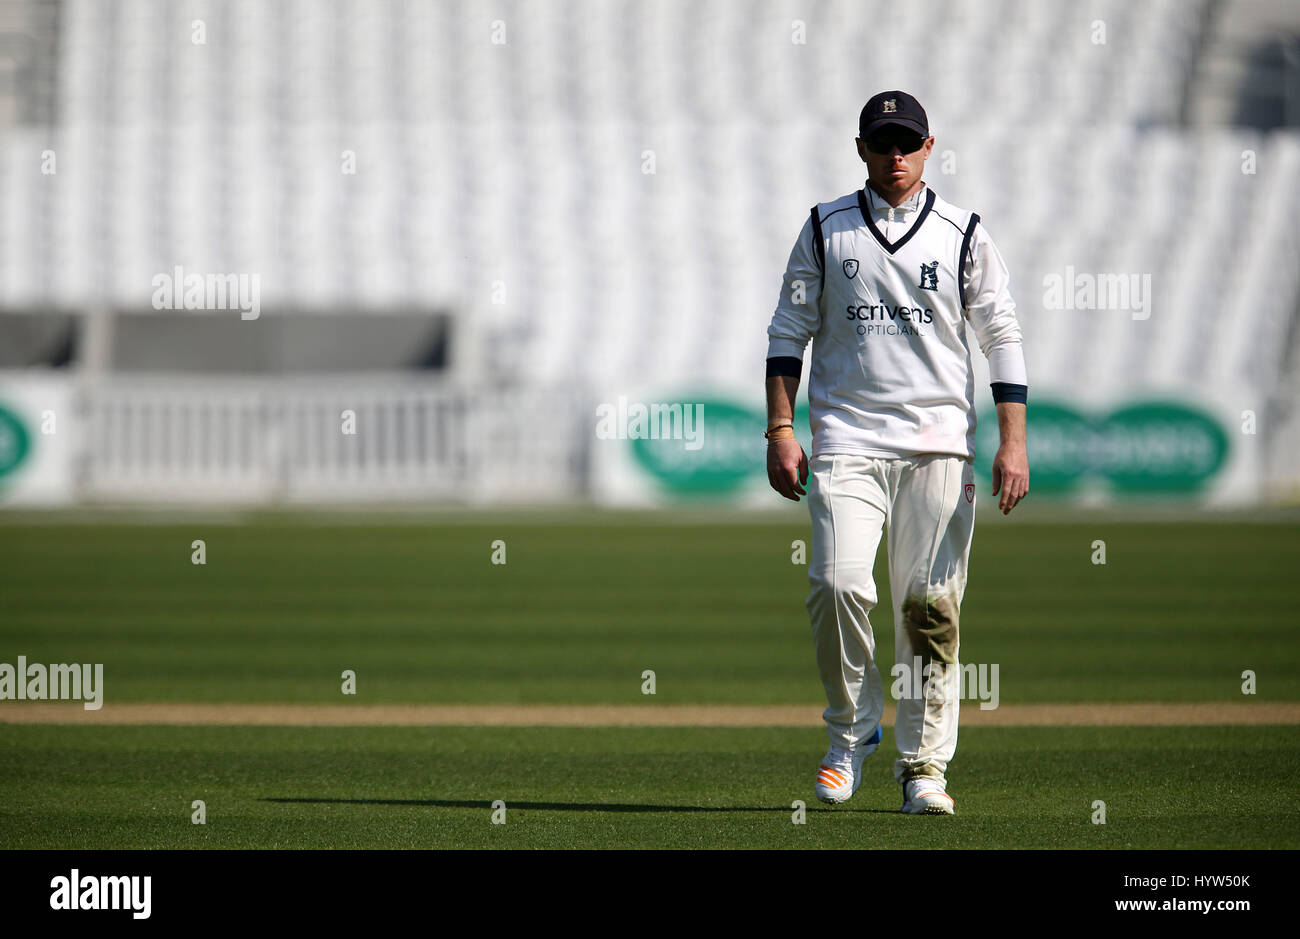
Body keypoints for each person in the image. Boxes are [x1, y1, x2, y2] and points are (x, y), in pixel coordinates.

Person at [764, 90, 1029, 815]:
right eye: (882, 142)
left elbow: (1001, 335)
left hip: (939, 445)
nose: (895, 155)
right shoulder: (825, 228)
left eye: (907, 142)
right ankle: (852, 731)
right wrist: (781, 429)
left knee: (929, 610)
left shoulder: (962, 230)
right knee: (839, 582)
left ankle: (923, 765)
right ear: (861, 148)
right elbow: (788, 330)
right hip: (847, 439)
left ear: (930, 144)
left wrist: (1012, 440)